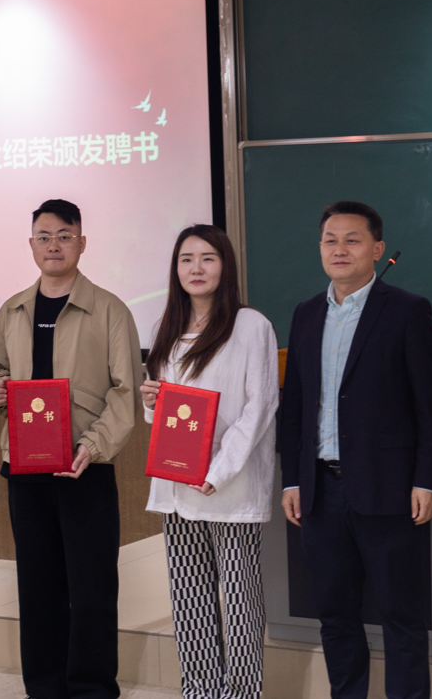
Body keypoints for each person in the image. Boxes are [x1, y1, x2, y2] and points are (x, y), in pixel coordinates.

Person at [279, 201, 432, 699]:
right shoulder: (306, 313)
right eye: (330, 240)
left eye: (352, 240)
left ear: (377, 249)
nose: (340, 249)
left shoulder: (407, 310)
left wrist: (426, 479)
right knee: (335, 614)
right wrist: (293, 478)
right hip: (319, 490)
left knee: (401, 615)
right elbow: (296, 405)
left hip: (389, 487)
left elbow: (430, 404)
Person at [0, 199, 142, 699]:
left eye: (64, 236)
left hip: (84, 466)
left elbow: (126, 391)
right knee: (37, 585)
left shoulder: (110, 309)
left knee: (92, 588)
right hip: (24, 468)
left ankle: (91, 689)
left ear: (82, 243)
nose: (54, 245)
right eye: (44, 237)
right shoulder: (12, 310)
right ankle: (45, 687)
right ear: (31, 245)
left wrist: (92, 446)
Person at [140, 224, 278, 699]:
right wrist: (150, 402)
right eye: (186, 260)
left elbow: (260, 407)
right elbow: (165, 413)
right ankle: (199, 690)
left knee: (240, 601)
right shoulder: (165, 328)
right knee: (189, 599)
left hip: (228, 487)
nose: (195, 268)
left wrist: (217, 471)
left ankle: (241, 692)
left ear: (225, 266)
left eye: (207, 258)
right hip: (177, 487)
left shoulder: (251, 325)